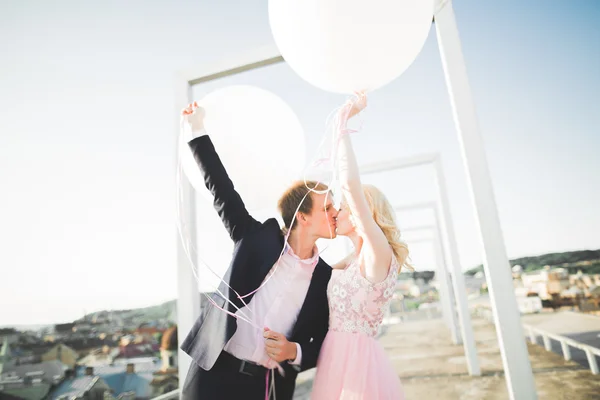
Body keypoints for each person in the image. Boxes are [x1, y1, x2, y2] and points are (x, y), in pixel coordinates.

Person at [179, 102, 338, 400]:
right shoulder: (256, 238)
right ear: (302, 217)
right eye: (327, 207)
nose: (336, 212)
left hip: (266, 388)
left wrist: (295, 351)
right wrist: (196, 130)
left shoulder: (326, 278)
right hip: (213, 375)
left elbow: (329, 340)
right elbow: (222, 189)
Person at [311, 93, 409, 399]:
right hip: (334, 357)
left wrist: (342, 123)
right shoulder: (352, 259)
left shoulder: (377, 251)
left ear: (359, 212)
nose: (335, 214)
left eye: (341, 208)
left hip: (357, 362)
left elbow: (351, 186)